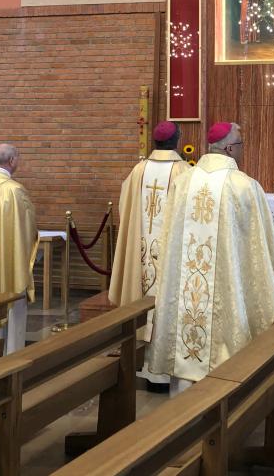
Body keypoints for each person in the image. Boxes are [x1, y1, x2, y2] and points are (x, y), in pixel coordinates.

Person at [148, 121, 274, 395]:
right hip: (226, 295)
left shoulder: (183, 183)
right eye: (241, 146)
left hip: (186, 297)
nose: (242, 151)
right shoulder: (244, 186)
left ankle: (182, 399)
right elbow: (264, 249)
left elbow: (168, 240)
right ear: (230, 149)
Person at [109, 121, 191, 389]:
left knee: (142, 294)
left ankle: (145, 365)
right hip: (168, 255)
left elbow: (125, 205)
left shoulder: (139, 170)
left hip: (142, 251)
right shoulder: (183, 171)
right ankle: (163, 370)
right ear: (177, 140)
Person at [0, 144, 38, 352]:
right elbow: (26, 230)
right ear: (12, 161)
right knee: (10, 296)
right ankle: (10, 359)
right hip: (5, 268)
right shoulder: (13, 191)